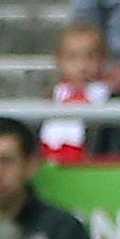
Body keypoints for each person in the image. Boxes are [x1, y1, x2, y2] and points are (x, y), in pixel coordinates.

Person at [39, 20, 112, 162]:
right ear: (59, 61)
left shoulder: (109, 97)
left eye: (90, 57)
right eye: (73, 58)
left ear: (103, 59)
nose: (82, 65)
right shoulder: (51, 96)